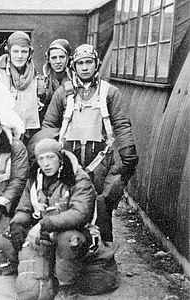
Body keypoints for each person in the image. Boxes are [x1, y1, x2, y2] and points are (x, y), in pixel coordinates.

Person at [31, 44, 139, 241]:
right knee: (67, 204)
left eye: (89, 62)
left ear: (97, 64)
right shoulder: (63, 93)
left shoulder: (110, 93)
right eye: (80, 63)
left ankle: (102, 257)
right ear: (74, 66)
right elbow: (49, 125)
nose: (85, 67)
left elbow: (122, 125)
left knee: (101, 206)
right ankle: (68, 250)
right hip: (69, 160)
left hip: (99, 160)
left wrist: (128, 154)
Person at [10, 138, 96, 299]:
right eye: (41, 159)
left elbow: (80, 214)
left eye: (50, 157)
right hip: (45, 232)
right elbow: (24, 208)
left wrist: (44, 224)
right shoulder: (36, 178)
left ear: (60, 157)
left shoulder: (79, 178)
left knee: (69, 240)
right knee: (7, 239)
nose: (46, 164)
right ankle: (39, 271)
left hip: (74, 233)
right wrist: (18, 223)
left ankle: (67, 287)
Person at [41, 39, 72, 119]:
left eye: (62, 57)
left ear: (67, 58)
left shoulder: (74, 80)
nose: (58, 61)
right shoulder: (43, 82)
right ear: (49, 60)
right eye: (54, 58)